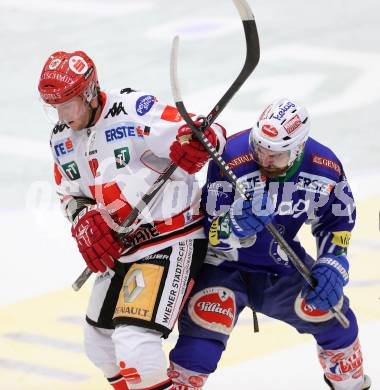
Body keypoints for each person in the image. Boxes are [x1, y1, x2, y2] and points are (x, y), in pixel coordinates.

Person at [38, 50, 226, 390]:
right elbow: (69, 193)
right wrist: (82, 218)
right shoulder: (61, 140)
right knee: (100, 344)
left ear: (90, 92)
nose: (62, 115)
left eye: (68, 105)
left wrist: (199, 141)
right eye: (55, 107)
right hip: (122, 249)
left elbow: (204, 132)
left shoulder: (131, 110)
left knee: (135, 346)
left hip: (170, 237)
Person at [168, 98, 371, 390]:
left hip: (280, 266)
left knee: (338, 320)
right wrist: (233, 224)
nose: (264, 158)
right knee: (199, 350)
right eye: (260, 147)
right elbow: (209, 230)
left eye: (275, 154)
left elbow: (336, 220)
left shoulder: (324, 167)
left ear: (299, 147)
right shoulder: (231, 157)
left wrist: (332, 260)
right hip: (221, 266)